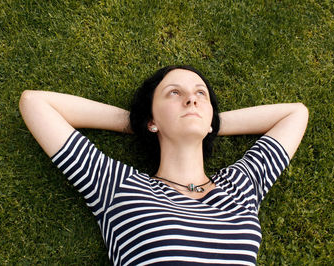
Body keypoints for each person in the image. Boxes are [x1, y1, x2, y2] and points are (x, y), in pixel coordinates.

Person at [19, 65, 308, 265]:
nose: (191, 99)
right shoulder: (119, 187)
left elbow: (295, 114)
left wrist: (208, 123)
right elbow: (35, 103)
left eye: (201, 94)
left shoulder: (240, 188)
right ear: (151, 120)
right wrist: (140, 123)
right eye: (174, 93)